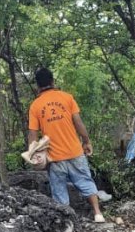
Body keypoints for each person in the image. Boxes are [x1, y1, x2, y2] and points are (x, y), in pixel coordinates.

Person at [27, 67, 105, 222]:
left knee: (59, 192)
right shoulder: (67, 98)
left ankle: (68, 224)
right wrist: (86, 141)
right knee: (86, 182)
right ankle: (98, 214)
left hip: (55, 158)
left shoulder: (35, 106)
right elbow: (78, 122)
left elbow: (33, 133)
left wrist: (33, 154)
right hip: (75, 152)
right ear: (52, 81)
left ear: (37, 85)